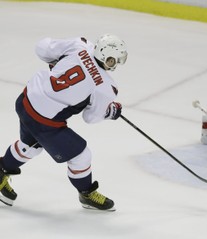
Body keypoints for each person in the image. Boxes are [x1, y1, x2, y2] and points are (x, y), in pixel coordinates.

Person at [0, 34, 128, 211]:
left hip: (26, 100)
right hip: (44, 120)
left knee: (31, 146)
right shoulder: (106, 87)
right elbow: (91, 117)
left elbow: (42, 47)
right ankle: (86, 193)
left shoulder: (80, 45)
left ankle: (1, 169)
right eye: (115, 61)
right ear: (110, 59)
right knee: (81, 156)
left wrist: (57, 61)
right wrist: (110, 111)